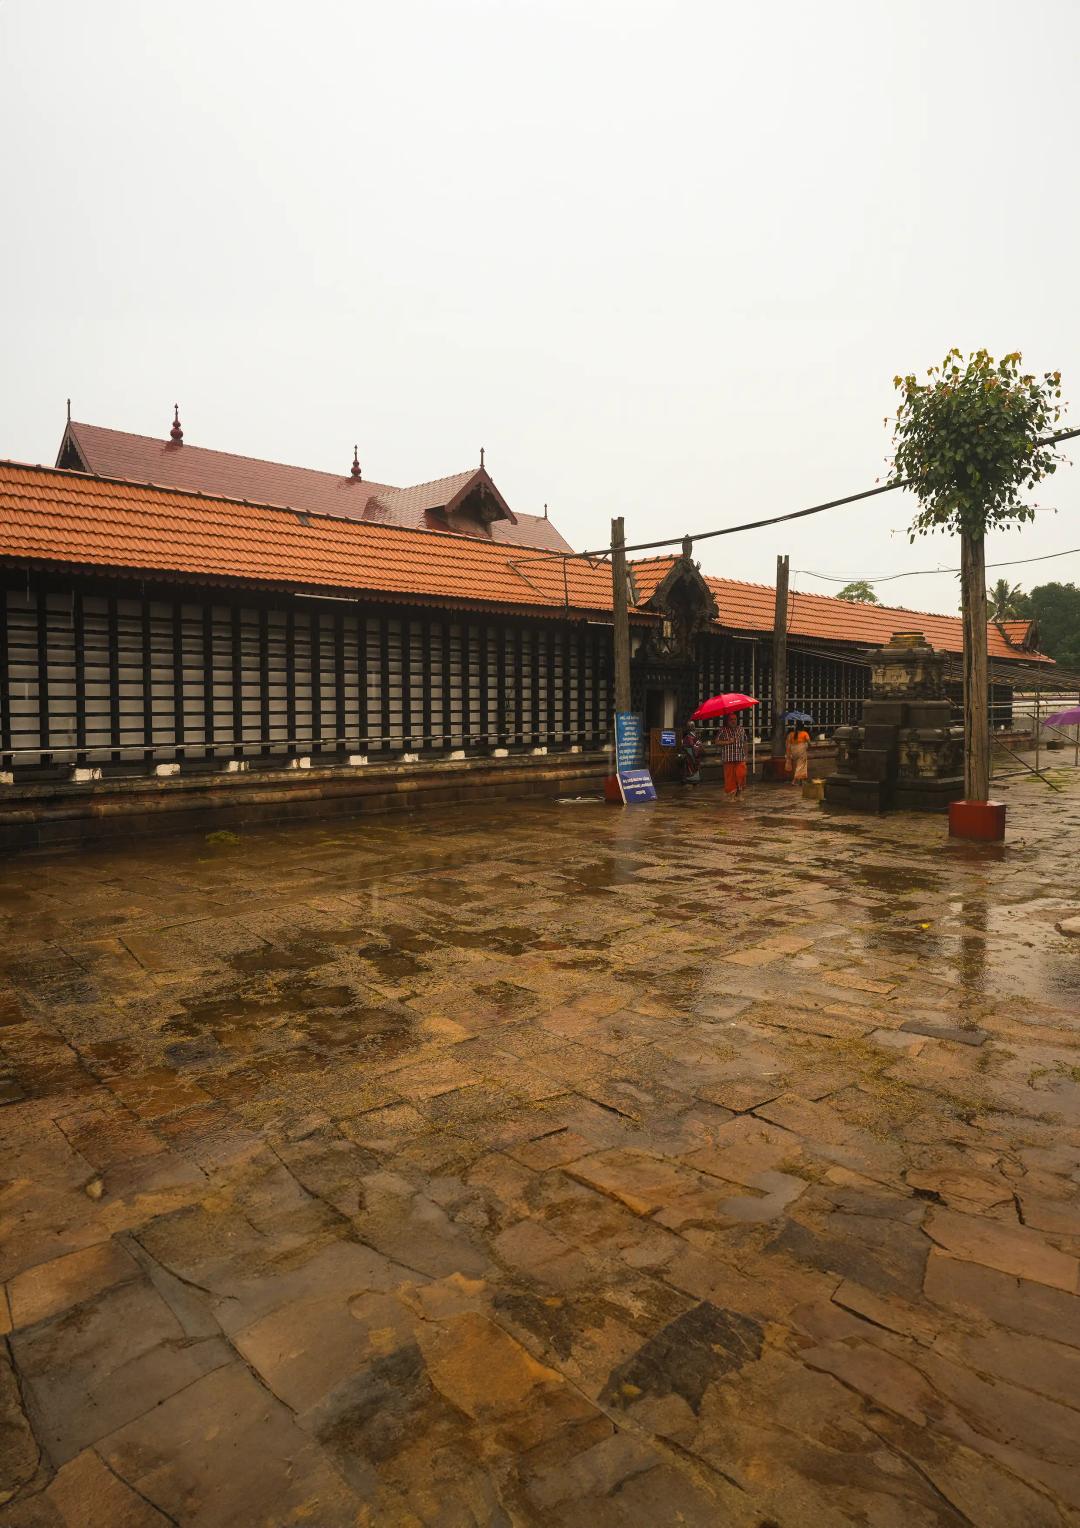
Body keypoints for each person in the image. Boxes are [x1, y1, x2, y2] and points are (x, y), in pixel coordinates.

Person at [717, 713, 748, 798]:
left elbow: (745, 742)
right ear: (727, 721)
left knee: (741, 774)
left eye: (735, 719)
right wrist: (728, 742)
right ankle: (732, 795)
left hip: (740, 757)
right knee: (730, 778)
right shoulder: (723, 730)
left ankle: (739, 791)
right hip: (728, 758)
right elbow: (717, 742)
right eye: (731, 719)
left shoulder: (741, 729)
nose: (733, 721)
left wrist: (746, 755)